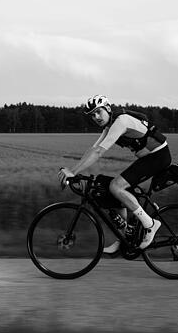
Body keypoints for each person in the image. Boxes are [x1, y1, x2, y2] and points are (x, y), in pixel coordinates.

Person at [58, 95, 172, 252]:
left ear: (108, 109)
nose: (96, 117)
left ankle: (150, 224)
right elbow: (92, 150)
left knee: (116, 186)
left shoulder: (121, 121)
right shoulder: (109, 127)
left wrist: (73, 172)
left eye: (98, 112)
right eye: (92, 115)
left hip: (158, 156)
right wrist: (72, 171)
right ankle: (125, 237)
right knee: (111, 191)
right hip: (148, 159)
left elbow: (98, 152)